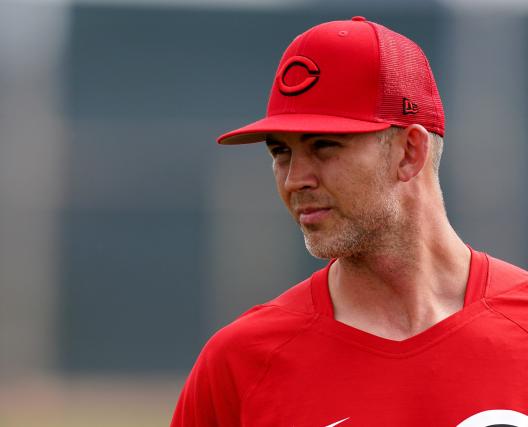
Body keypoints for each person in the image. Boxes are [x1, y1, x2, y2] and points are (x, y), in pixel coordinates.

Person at [171, 16, 528, 427]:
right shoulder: (240, 361)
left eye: (324, 146)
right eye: (280, 152)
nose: (294, 179)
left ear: (409, 152)